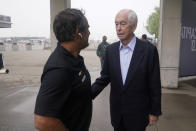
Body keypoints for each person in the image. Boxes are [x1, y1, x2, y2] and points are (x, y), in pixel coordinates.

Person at [92, 9, 162, 131]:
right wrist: (86, 95)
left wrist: (154, 112)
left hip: (138, 115)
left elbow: (154, 83)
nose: (118, 28)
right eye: (116, 24)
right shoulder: (111, 50)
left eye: (123, 24)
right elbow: (104, 78)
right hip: (117, 114)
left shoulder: (149, 51)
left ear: (134, 26)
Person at [34, 8, 92, 131]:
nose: (89, 33)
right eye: (88, 28)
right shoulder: (59, 69)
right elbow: (42, 121)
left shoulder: (74, 58)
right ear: (78, 33)